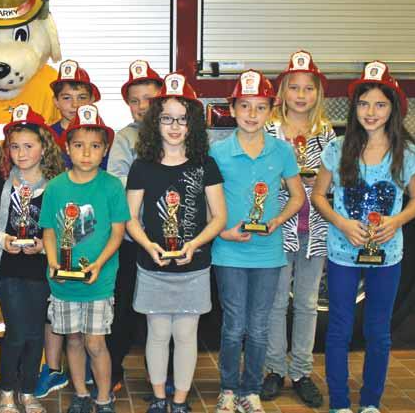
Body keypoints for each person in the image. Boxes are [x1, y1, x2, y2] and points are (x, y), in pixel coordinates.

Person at [310, 61, 415, 413]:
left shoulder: (407, 153)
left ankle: (371, 402)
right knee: (339, 328)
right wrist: (342, 223)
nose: (371, 112)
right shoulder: (338, 148)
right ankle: (340, 403)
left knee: (378, 331)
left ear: (394, 109)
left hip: (387, 256)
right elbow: (318, 196)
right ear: (354, 108)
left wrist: (396, 220)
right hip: (343, 253)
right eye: (364, 104)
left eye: (380, 105)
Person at [125, 74, 226, 413]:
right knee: (157, 334)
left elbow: (219, 217)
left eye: (182, 119)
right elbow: (130, 218)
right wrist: (148, 246)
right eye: (167, 118)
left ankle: (180, 401)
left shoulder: (205, 165)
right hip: (153, 265)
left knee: (185, 336)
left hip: (193, 267)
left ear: (192, 124)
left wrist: (194, 244)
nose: (174, 126)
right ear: (155, 122)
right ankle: (158, 398)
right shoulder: (142, 166)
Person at [208, 70, 305, 413]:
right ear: (233, 109)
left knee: (259, 326)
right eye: (245, 106)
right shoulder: (217, 152)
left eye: (260, 107)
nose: (252, 114)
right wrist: (222, 231)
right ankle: (228, 389)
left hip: (268, 252)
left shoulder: (282, 151)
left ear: (270, 111)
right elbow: (207, 201)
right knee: (234, 325)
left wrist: (276, 221)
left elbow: (297, 196)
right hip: (228, 251)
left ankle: (251, 390)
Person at [40, 104, 130, 413]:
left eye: (95, 146)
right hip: (63, 283)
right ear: (67, 148)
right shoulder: (55, 187)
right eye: (79, 145)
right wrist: (54, 261)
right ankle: (80, 394)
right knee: (73, 340)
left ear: (105, 149)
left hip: (99, 281)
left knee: (95, 342)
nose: (87, 153)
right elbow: (49, 231)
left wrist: (99, 263)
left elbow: (117, 233)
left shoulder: (112, 186)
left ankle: (103, 397)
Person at [0, 105, 64, 413]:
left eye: (29, 146)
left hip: (42, 270)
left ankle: (28, 392)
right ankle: (6, 393)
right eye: (14, 146)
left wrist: (43, 246)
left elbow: (64, 227)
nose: (21, 153)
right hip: (10, 270)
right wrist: (3, 240)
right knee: (15, 333)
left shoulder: (56, 184)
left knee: (34, 333)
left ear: (44, 147)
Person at [261, 51, 334, 407]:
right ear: (283, 92)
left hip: (315, 229)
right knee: (276, 302)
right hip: (277, 228)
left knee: (306, 303)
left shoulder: (326, 134)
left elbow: (333, 180)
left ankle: (302, 371)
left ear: (318, 94)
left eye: (308, 88)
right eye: (294, 87)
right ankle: (275, 369)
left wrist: (318, 182)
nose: (301, 95)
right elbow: (259, 178)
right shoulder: (268, 130)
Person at [106, 60, 163, 393]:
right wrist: (154, 185)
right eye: (134, 100)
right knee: (124, 305)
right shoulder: (125, 137)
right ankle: (113, 369)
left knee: (162, 310)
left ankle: (162, 373)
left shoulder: (177, 131)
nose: (142, 106)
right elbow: (117, 179)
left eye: (149, 99)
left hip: (169, 239)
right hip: (131, 238)